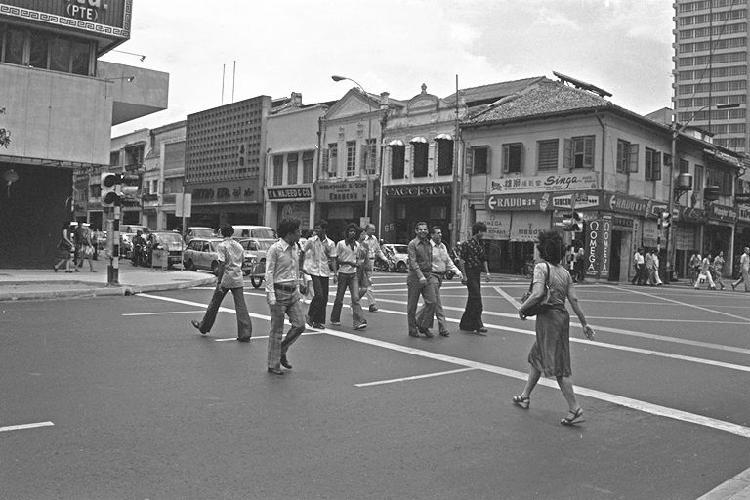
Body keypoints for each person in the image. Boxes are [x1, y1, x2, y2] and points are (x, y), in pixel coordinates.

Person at [514, 230, 596, 426]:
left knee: (558, 365)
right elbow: (573, 299)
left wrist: (522, 309)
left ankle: (574, 408)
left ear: (542, 250)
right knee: (537, 356)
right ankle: (525, 396)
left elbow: (537, 294)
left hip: (548, 319)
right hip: (561, 317)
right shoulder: (565, 273)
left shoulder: (541, 268)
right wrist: (584, 323)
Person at [190, 224, 253, 342]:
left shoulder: (222, 246)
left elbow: (222, 264)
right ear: (232, 233)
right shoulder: (239, 246)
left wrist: (219, 281)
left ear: (222, 233)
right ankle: (245, 333)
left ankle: (204, 326)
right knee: (241, 306)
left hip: (226, 278)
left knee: (214, 303)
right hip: (237, 278)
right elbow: (243, 261)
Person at [264, 218, 307, 375]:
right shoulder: (275, 249)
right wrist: (271, 296)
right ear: (290, 233)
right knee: (277, 330)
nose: (300, 233)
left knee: (300, 324)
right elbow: (268, 273)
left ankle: (281, 350)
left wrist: (300, 282)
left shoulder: (296, 248)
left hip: (293, 291)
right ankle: (273, 364)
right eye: (298, 231)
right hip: (279, 291)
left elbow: (296, 269)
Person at [416, 226, 462, 337]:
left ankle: (416, 319)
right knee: (436, 301)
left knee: (430, 301)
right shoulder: (428, 247)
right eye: (437, 233)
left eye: (441, 232)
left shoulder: (443, 246)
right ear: (432, 235)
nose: (440, 234)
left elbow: (448, 261)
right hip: (431, 276)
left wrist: (457, 271)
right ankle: (442, 327)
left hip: (441, 276)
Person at [330, 223, 367, 330]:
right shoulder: (341, 244)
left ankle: (358, 321)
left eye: (354, 231)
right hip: (343, 273)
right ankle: (334, 318)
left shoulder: (357, 245)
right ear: (347, 232)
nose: (352, 233)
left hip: (353, 274)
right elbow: (337, 259)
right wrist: (337, 272)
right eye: (350, 231)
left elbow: (359, 259)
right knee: (339, 298)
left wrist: (359, 263)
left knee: (355, 298)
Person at [406, 221, 438, 337]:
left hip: (428, 275)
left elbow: (430, 260)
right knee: (412, 305)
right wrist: (420, 276)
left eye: (425, 229)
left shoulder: (429, 243)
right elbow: (413, 262)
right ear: (416, 231)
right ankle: (412, 329)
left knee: (432, 302)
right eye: (420, 229)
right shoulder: (412, 244)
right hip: (415, 276)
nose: (423, 231)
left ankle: (423, 325)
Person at [458, 222, 491, 334]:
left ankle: (465, 324)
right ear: (478, 231)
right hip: (470, 272)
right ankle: (478, 324)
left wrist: (487, 272)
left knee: (472, 299)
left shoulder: (481, 244)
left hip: (477, 273)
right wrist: (464, 275)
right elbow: (462, 261)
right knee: (476, 298)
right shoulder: (466, 244)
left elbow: (484, 259)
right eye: (482, 232)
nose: (483, 234)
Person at [303, 220, 335, 329]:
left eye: (318, 228)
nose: (316, 230)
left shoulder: (330, 243)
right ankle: (310, 315)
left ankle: (318, 321)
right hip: (314, 271)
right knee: (319, 295)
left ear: (324, 229)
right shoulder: (311, 241)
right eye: (315, 228)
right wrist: (301, 267)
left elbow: (333, 259)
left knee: (324, 298)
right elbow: (303, 251)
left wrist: (335, 273)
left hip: (325, 272)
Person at [361, 224, 387, 312]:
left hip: (371, 262)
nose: (373, 231)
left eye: (374, 230)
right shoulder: (362, 238)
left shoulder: (374, 239)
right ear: (367, 230)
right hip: (363, 262)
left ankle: (369, 304)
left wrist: (385, 259)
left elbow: (378, 250)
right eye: (372, 230)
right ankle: (370, 304)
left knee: (368, 283)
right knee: (366, 283)